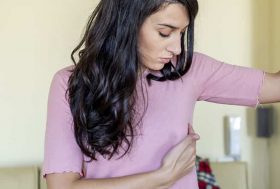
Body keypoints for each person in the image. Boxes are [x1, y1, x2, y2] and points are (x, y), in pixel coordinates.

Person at [43, 0, 280, 189]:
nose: (177, 48)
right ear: (127, 23)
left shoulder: (189, 69)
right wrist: (162, 178)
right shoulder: (70, 84)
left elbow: (275, 86)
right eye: (165, 33)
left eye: (182, 33)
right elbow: (62, 187)